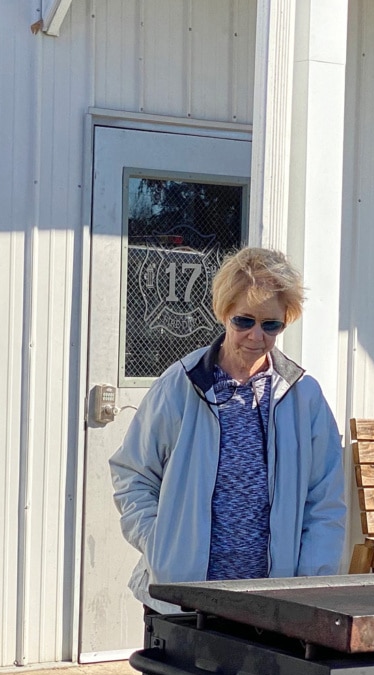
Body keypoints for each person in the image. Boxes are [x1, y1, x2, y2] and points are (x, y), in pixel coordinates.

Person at [109, 247, 347, 614]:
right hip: (183, 602)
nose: (256, 336)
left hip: (272, 608)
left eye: (271, 325)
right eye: (244, 321)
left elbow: (325, 502)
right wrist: (162, 544)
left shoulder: (304, 396)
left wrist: (308, 588)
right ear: (223, 313)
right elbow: (133, 474)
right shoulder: (181, 385)